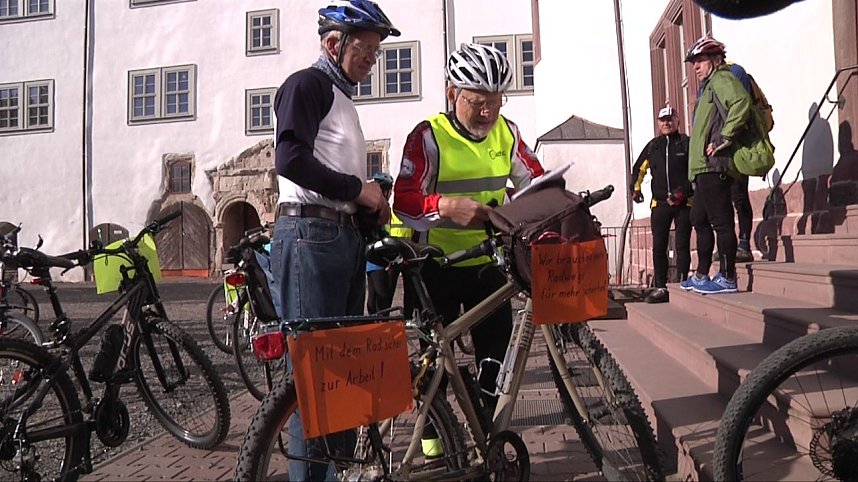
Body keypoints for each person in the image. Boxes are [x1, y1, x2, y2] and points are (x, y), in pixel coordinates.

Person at [268, 1, 399, 480]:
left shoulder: (342, 98)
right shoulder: (308, 85)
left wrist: (370, 199)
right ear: (332, 43)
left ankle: (335, 474)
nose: (371, 60)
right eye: (364, 49)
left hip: (338, 235)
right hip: (310, 235)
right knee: (313, 376)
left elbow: (335, 173)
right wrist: (357, 190)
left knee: (342, 371)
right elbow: (289, 159)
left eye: (376, 53)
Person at [393, 42, 545, 426]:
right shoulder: (428, 135)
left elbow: (536, 181)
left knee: (494, 359)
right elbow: (404, 201)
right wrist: (444, 206)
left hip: (488, 264)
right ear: (452, 94)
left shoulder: (507, 133)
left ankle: (487, 436)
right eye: (477, 102)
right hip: (435, 267)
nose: (488, 112)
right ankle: (434, 444)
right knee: (432, 368)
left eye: (496, 101)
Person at [680, 35, 753, 295]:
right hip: (702, 167)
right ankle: (702, 274)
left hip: (715, 165)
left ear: (714, 59)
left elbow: (742, 102)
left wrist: (725, 136)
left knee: (721, 222)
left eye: (699, 61)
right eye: (694, 63)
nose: (695, 67)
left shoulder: (722, 79)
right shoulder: (708, 87)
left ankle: (728, 276)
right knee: (698, 218)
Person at [630, 106, 692, 303]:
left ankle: (683, 284)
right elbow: (638, 169)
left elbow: (695, 170)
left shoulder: (686, 143)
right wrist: (635, 189)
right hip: (660, 203)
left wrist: (683, 192)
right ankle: (660, 287)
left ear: (677, 121)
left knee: (682, 245)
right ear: (658, 123)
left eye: (670, 119)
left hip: (684, 203)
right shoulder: (653, 146)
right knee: (659, 247)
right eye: (663, 120)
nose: (667, 123)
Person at [365, 172, 396, 314]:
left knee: (372, 298)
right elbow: (376, 232)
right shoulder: (378, 207)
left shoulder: (371, 205)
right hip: (378, 259)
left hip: (370, 259)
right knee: (383, 298)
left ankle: (374, 322)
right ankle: (381, 324)